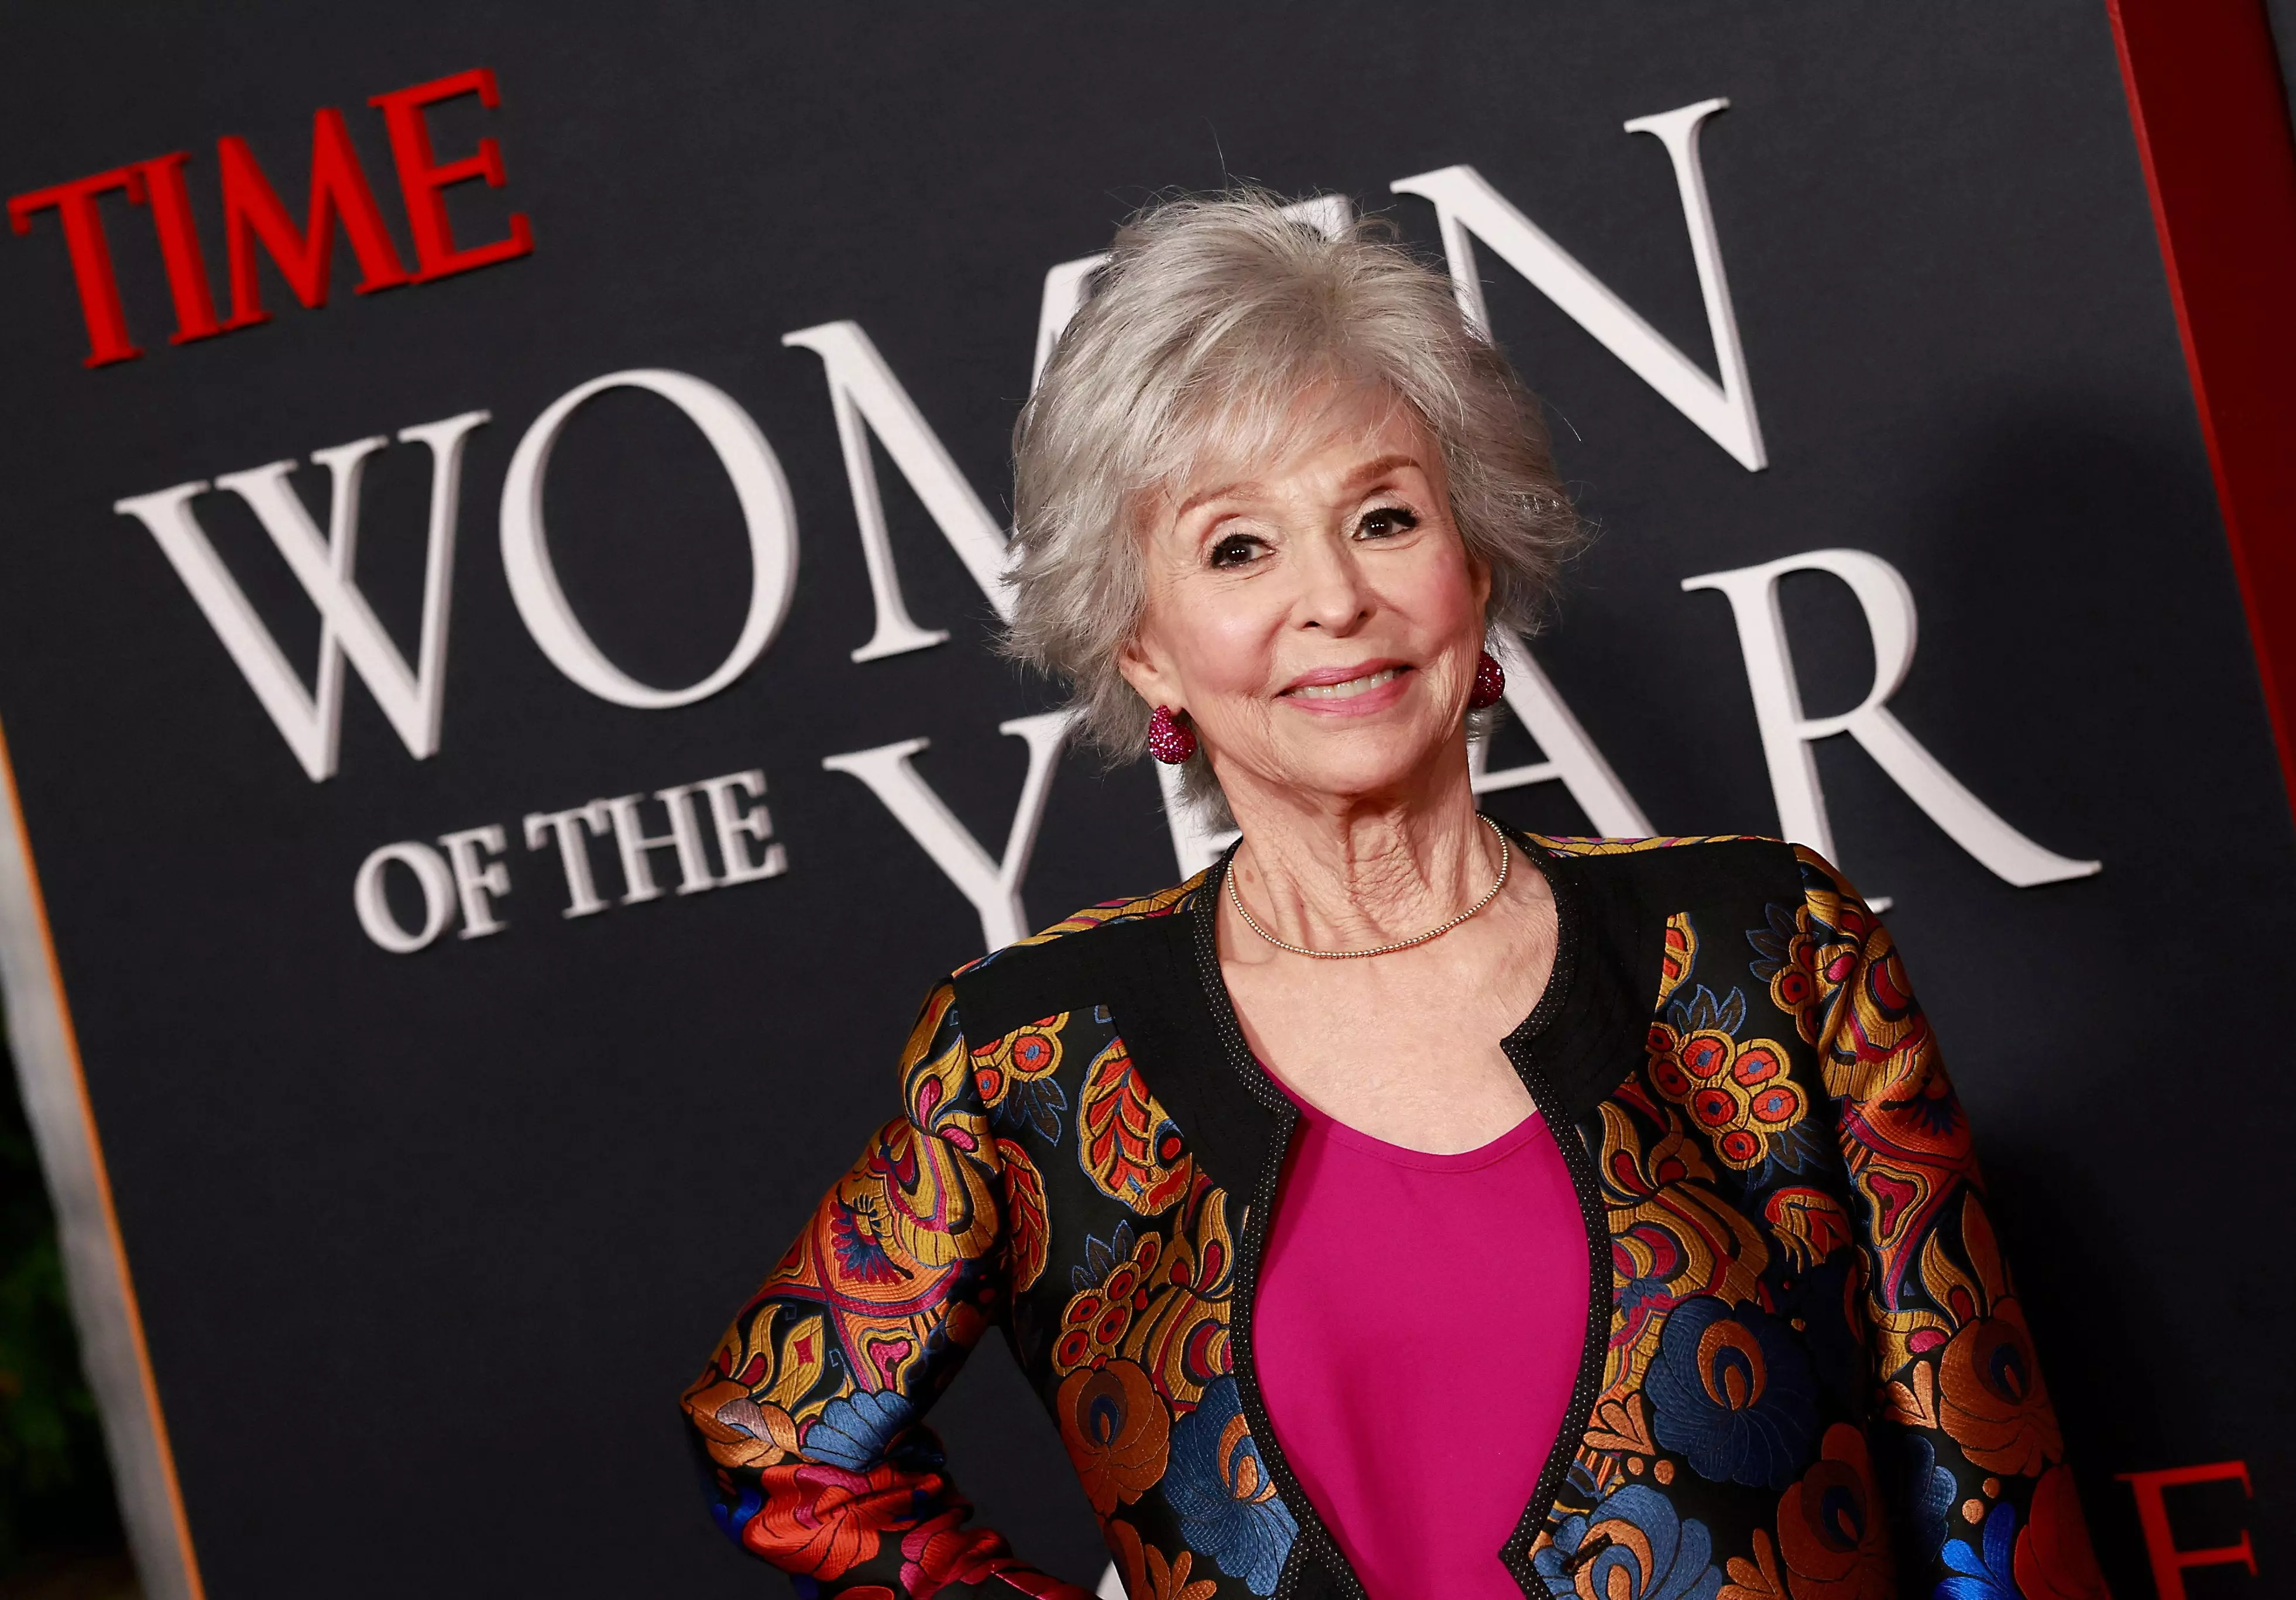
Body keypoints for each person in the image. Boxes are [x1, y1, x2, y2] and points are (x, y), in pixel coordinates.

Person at [679, 193, 2106, 1600]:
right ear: (1144, 651)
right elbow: (774, 1436)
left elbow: (1995, 1509)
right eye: (1236, 546)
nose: (1334, 599)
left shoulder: (1767, 953)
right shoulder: (1032, 1058)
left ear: (1470, 566)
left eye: (1380, 516)